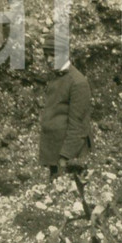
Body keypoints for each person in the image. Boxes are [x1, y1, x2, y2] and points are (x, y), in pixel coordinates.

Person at [39, 32, 92, 179]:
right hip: (55, 155)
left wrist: (64, 158)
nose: (48, 60)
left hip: (69, 158)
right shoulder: (55, 77)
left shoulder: (78, 82)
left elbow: (79, 126)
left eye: (53, 55)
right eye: (46, 55)